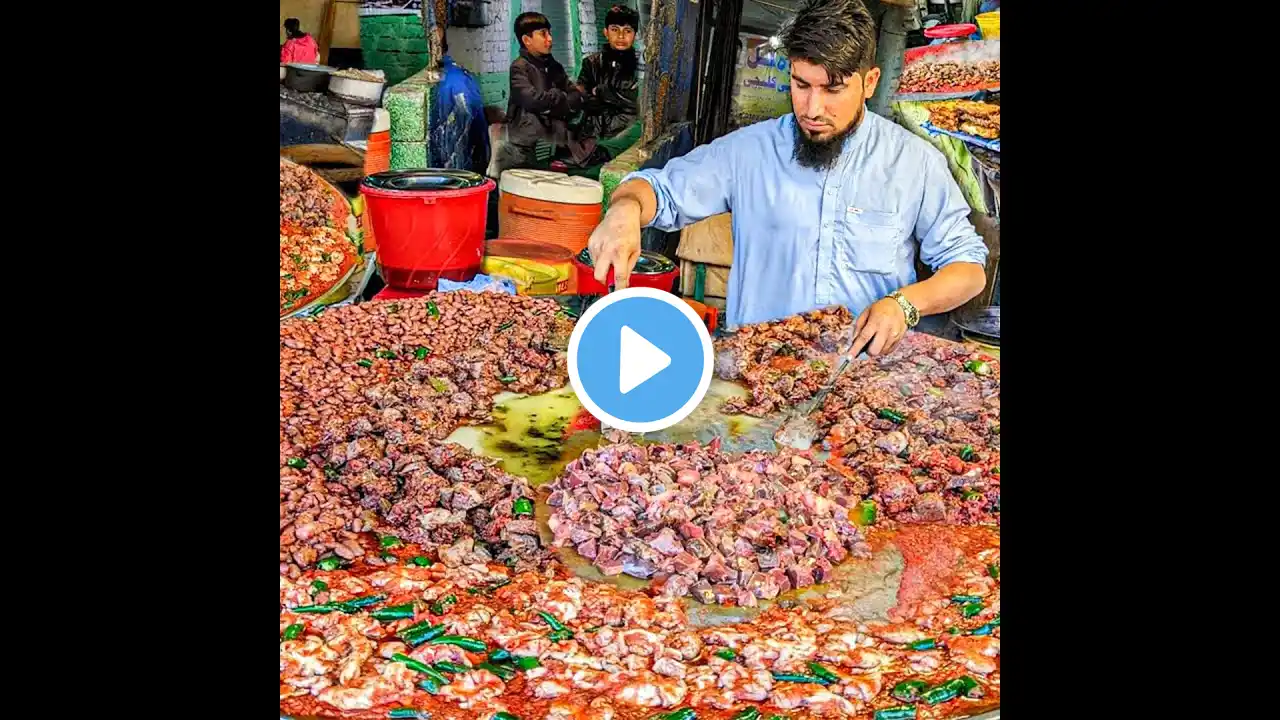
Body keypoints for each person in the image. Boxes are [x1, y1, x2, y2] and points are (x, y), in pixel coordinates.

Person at [586, 0, 988, 358]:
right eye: (801, 85)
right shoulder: (748, 152)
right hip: (757, 376)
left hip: (863, 384)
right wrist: (624, 209)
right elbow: (659, 191)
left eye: (833, 90)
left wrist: (904, 304)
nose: (813, 108)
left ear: (869, 83)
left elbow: (968, 269)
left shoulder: (914, 163)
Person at [497, 12, 586, 173]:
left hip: (552, 141)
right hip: (524, 146)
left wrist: (555, 101)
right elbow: (532, 100)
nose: (550, 39)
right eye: (543, 34)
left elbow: (576, 97)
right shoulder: (519, 67)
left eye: (549, 33)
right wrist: (559, 96)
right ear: (527, 40)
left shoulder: (554, 67)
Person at [577, 5, 641, 142]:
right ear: (605, 32)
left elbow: (637, 102)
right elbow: (581, 96)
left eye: (627, 31)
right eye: (614, 30)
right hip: (591, 135)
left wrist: (602, 91)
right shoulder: (591, 63)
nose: (621, 36)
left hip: (627, 135)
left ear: (635, 35)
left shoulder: (641, 66)